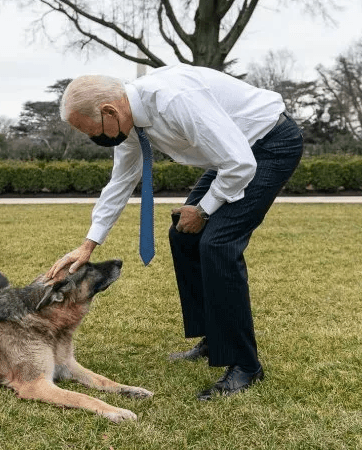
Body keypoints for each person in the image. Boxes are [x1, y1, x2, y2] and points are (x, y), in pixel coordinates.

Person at [46, 63, 303, 400]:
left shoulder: (174, 100)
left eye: (92, 131)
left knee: (218, 244)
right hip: (234, 154)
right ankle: (215, 338)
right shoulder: (128, 123)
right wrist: (88, 245)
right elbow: (121, 180)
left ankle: (245, 365)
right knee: (184, 236)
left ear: (109, 110)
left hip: (268, 146)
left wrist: (205, 209)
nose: (95, 139)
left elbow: (241, 164)